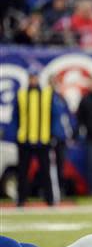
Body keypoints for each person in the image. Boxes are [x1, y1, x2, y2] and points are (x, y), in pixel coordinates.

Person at [9, 67, 57, 207]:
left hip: (43, 139)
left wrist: (53, 134)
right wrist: (15, 136)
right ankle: (21, 200)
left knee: (45, 172)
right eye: (31, 77)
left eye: (35, 77)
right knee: (23, 172)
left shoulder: (47, 95)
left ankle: (50, 200)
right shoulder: (22, 95)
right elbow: (15, 117)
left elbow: (54, 116)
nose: (33, 80)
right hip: (25, 139)